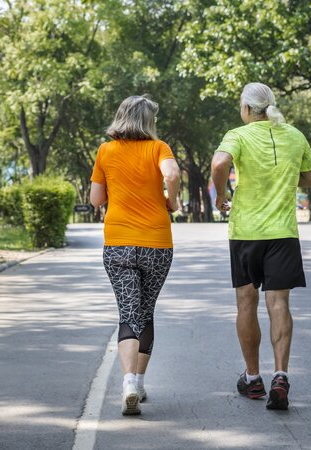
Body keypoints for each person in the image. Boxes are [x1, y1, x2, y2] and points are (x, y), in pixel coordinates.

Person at [211, 82, 311, 410]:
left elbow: (218, 165)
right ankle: (281, 375)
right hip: (283, 233)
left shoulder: (238, 135)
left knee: (246, 304)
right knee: (279, 304)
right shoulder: (294, 135)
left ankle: (253, 378)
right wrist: (284, 177)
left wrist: (221, 196)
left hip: (245, 232)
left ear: (246, 109)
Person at [89, 95, 180, 415]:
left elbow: (96, 199)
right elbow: (171, 174)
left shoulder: (105, 151)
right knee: (146, 311)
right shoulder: (159, 148)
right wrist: (173, 200)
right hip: (156, 244)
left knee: (129, 313)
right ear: (148, 122)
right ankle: (139, 382)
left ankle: (128, 382)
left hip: (118, 245)